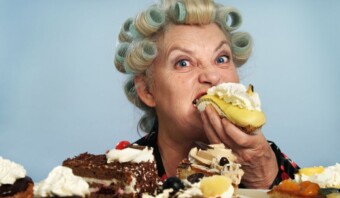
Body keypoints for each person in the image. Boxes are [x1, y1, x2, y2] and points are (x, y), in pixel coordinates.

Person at [114, 0, 299, 189]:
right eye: (183, 63)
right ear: (147, 91)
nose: (212, 76)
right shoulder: (115, 174)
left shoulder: (266, 161)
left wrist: (264, 180)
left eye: (221, 59)